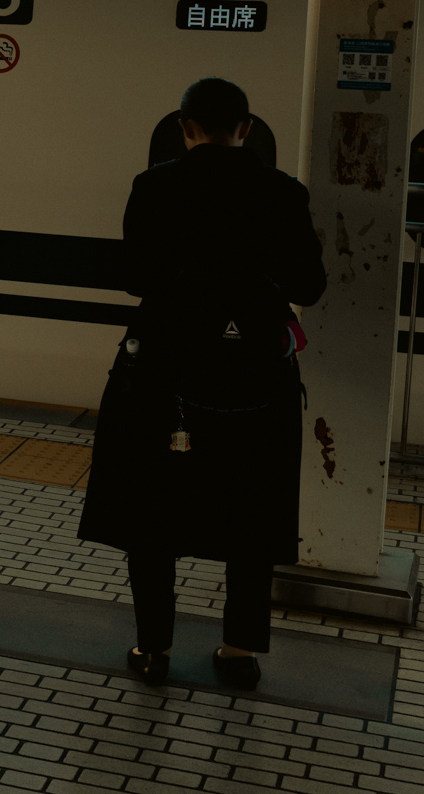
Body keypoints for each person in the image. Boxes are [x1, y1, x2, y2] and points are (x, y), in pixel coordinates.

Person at [78, 77, 327, 690]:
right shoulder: (283, 192)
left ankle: (153, 648)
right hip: (256, 379)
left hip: (165, 376)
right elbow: (311, 286)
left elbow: (134, 278)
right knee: (252, 508)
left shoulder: (154, 186)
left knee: (153, 508)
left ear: (184, 127)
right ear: (248, 128)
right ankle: (239, 651)